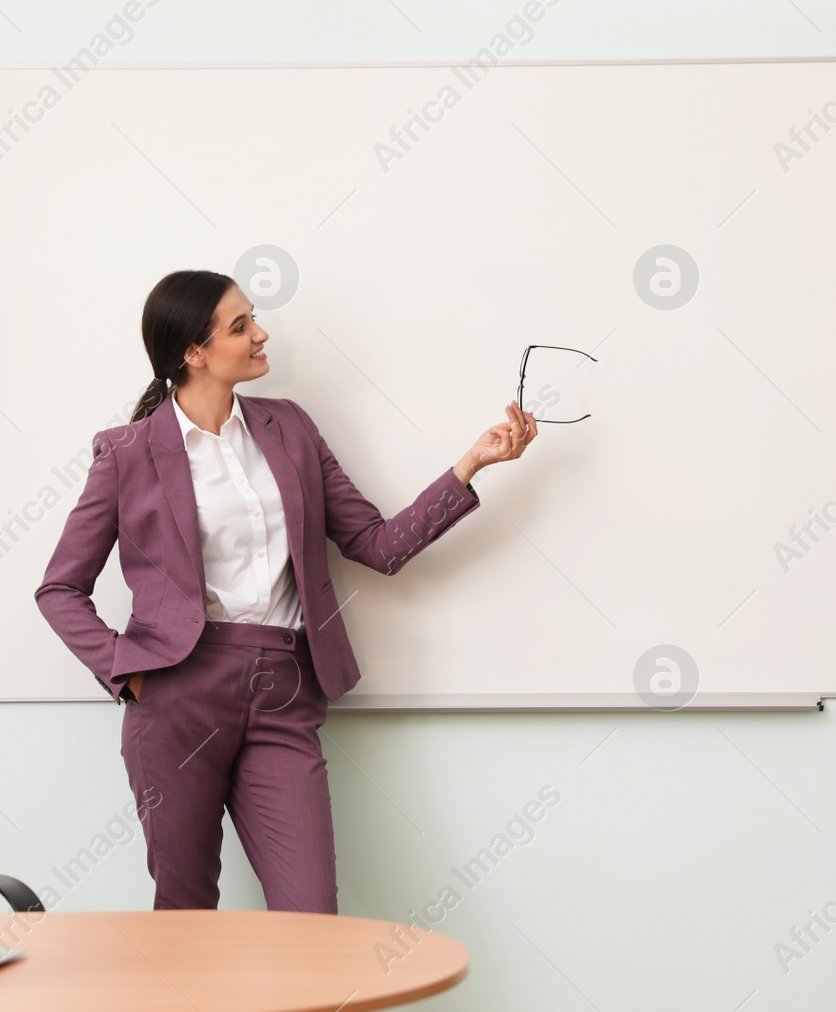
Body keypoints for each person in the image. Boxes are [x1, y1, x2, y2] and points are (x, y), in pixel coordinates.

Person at [34, 269, 537, 912]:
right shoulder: (128, 452)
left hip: (285, 686)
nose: (260, 333)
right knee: (185, 912)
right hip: (176, 694)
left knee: (310, 917)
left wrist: (472, 464)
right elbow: (59, 588)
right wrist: (128, 672)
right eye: (240, 325)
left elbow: (377, 546)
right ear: (194, 351)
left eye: (254, 317)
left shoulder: (289, 429)